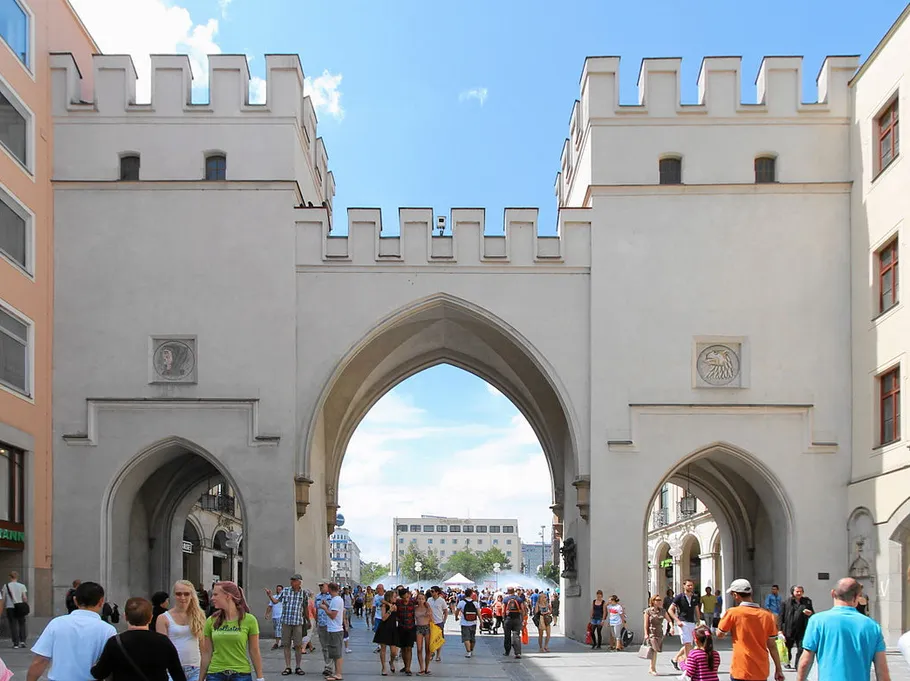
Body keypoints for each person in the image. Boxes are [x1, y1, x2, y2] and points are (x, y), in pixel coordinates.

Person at [797, 577, 891, 681]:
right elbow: (882, 671)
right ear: (857, 597)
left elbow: (805, 661)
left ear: (833, 593)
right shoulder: (872, 626)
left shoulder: (817, 621)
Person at [27, 581, 116, 681]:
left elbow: (40, 661)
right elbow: (111, 665)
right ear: (101, 601)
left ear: (75, 600)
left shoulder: (57, 623)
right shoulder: (107, 630)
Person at [91, 596, 187, 681]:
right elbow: (178, 675)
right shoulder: (163, 641)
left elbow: (99, 673)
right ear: (151, 618)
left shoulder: (115, 642)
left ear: (125, 616)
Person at [716, 578, 784, 681]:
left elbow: (720, 634)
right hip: (761, 670)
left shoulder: (733, 612)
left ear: (735, 595)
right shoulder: (767, 616)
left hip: (741, 668)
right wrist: (779, 669)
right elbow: (772, 646)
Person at [198, 581, 264, 681]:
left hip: (241, 674)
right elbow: (207, 653)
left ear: (228, 596)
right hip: (215, 674)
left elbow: (254, 651)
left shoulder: (249, 620)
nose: (212, 598)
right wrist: (201, 679)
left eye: (216, 595)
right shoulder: (211, 621)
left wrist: (260, 677)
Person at [157, 580, 205, 681]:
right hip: (172, 669)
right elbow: (162, 648)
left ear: (191, 595)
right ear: (174, 595)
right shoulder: (163, 618)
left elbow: (203, 646)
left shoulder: (199, 616)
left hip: (196, 668)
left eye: (186, 594)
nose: (182, 597)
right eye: (178, 594)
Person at [267, 573, 309, 676]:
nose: (291, 582)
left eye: (294, 580)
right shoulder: (285, 591)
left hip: (297, 622)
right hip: (286, 622)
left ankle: (298, 667)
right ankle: (288, 667)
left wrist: (308, 620)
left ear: (299, 582)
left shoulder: (303, 593)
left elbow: (305, 608)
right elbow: (276, 601)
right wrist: (270, 595)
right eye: (291, 580)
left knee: (298, 645)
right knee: (286, 645)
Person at [778, 585, 814, 669]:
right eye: (797, 591)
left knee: (801, 648)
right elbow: (781, 617)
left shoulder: (807, 602)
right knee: (788, 647)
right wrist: (780, 630)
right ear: (792, 592)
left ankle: (798, 664)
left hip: (802, 629)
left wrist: (810, 613)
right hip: (789, 629)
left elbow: (813, 613)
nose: (799, 593)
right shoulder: (786, 602)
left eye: (801, 591)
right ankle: (787, 661)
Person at [669, 579, 701, 669]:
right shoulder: (679, 597)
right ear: (684, 586)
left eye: (691, 585)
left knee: (690, 644)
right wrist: (677, 620)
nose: (690, 587)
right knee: (687, 643)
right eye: (688, 585)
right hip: (683, 622)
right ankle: (688, 664)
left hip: (692, 622)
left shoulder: (695, 597)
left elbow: (696, 609)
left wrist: (699, 621)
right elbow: (670, 610)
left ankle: (675, 659)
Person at [320, 582, 345, 681]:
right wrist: (327, 605)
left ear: (330, 589)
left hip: (335, 630)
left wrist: (325, 608)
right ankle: (336, 673)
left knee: (337, 653)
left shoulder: (336, 600)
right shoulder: (335, 600)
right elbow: (334, 610)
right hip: (333, 629)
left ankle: (338, 673)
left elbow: (333, 615)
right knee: (334, 653)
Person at [643, 594, 673, 676]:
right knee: (654, 650)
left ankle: (651, 667)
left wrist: (672, 627)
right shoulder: (648, 611)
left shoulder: (663, 611)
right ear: (653, 601)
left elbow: (669, 620)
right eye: (657, 600)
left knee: (655, 650)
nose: (659, 601)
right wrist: (646, 634)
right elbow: (646, 624)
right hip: (651, 632)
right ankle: (652, 668)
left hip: (659, 633)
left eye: (660, 600)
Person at [373, 590, 399, 675]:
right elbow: (383, 618)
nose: (395, 598)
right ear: (389, 597)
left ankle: (391, 661)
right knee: (383, 649)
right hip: (384, 628)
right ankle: (383, 667)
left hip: (393, 629)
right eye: (394, 597)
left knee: (394, 651)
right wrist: (390, 610)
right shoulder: (384, 606)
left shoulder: (395, 605)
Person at [3, 571, 28, 648]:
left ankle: (15, 643)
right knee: (22, 624)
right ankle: (22, 641)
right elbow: (24, 598)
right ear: (17, 577)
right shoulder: (22, 586)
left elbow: (3, 598)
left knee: (13, 625)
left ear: (10, 577)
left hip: (10, 607)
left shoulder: (6, 586)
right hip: (20, 607)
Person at [396, 586, 417, 674]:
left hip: (411, 627)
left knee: (409, 647)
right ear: (401, 597)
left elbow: (423, 602)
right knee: (403, 648)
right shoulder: (398, 602)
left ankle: (408, 668)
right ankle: (405, 666)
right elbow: (386, 600)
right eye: (404, 597)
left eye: (407, 597)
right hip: (401, 627)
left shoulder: (413, 602)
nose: (406, 599)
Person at [316, 582, 336, 676]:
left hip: (329, 624)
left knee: (330, 646)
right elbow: (316, 609)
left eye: (322, 586)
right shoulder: (318, 596)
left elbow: (334, 609)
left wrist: (326, 604)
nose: (321, 587)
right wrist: (316, 621)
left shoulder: (332, 597)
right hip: (321, 624)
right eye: (319, 586)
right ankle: (327, 665)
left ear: (327, 587)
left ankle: (329, 667)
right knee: (324, 647)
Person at [455, 587, 479, 658]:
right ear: (471, 594)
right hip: (473, 622)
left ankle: (468, 652)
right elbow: (479, 613)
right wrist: (481, 621)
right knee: (472, 638)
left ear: (465, 594)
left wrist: (456, 617)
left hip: (464, 623)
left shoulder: (461, 602)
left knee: (466, 638)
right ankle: (471, 650)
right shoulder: (475, 603)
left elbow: (457, 611)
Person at [503, 586, 525, 659]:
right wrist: (522, 619)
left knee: (507, 636)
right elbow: (523, 609)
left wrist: (504, 618)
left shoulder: (506, 599)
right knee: (516, 635)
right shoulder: (519, 599)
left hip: (508, 619)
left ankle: (507, 651)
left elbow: (503, 610)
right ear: (514, 591)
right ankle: (517, 652)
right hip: (517, 619)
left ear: (508, 591)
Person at [413, 591, 433, 675]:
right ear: (417, 599)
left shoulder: (428, 608)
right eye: (419, 599)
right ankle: (421, 668)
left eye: (422, 599)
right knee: (419, 649)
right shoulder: (415, 608)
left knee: (428, 649)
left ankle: (427, 668)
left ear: (425, 600)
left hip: (427, 627)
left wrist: (429, 609)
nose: (421, 600)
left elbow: (432, 619)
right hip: (418, 628)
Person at [428, 586, 448, 662]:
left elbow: (445, 611)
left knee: (438, 639)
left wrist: (444, 620)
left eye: (433, 591)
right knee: (430, 639)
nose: (431, 592)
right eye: (430, 591)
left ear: (437, 592)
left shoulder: (441, 601)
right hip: (430, 622)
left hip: (439, 622)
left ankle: (438, 655)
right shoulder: (429, 600)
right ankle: (431, 653)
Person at [268, 585, 284, 650]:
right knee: (276, 630)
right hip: (274, 616)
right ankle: (282, 643)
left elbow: (275, 601)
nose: (278, 590)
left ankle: (277, 643)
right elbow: (270, 606)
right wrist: (267, 614)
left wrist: (270, 595)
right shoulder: (274, 597)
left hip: (280, 615)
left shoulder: (282, 597)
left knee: (278, 629)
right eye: (277, 589)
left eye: (280, 589)